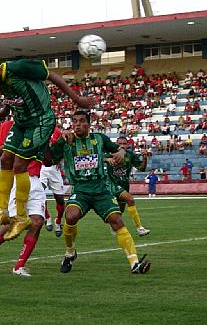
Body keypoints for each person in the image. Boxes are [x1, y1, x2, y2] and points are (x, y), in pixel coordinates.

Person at [0, 59, 93, 241]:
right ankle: (2, 211)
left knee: (20, 164)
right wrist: (5, 111)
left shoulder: (18, 68)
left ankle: (21, 217)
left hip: (41, 121)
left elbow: (51, 75)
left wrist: (76, 99)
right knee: (5, 160)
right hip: (22, 122)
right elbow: (15, 97)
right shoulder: (1, 81)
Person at [49, 110, 150, 275]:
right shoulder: (67, 141)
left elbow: (118, 149)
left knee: (117, 221)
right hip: (80, 189)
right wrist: (60, 138)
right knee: (70, 217)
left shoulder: (99, 139)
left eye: (82, 121)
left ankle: (134, 263)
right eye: (74, 121)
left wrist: (121, 153)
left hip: (101, 189)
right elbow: (49, 159)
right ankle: (70, 252)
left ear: (89, 124)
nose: (78, 124)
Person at [0, 119, 46, 276]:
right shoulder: (8, 126)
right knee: (9, 226)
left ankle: (19, 267)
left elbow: (49, 157)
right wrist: (15, 144)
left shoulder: (42, 126)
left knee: (37, 222)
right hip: (16, 179)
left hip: (35, 180)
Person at [105, 136, 150, 237]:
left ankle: (113, 225)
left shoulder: (130, 155)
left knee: (120, 211)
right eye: (119, 144)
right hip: (113, 184)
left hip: (124, 185)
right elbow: (99, 157)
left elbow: (142, 168)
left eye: (124, 144)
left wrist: (145, 157)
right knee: (130, 200)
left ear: (128, 145)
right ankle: (139, 228)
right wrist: (107, 159)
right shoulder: (111, 153)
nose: (121, 146)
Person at [39, 127, 66, 237]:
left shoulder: (57, 132)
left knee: (60, 200)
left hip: (55, 168)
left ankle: (58, 221)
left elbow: (62, 147)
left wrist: (61, 160)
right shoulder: (38, 130)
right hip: (41, 167)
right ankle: (47, 217)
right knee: (39, 192)